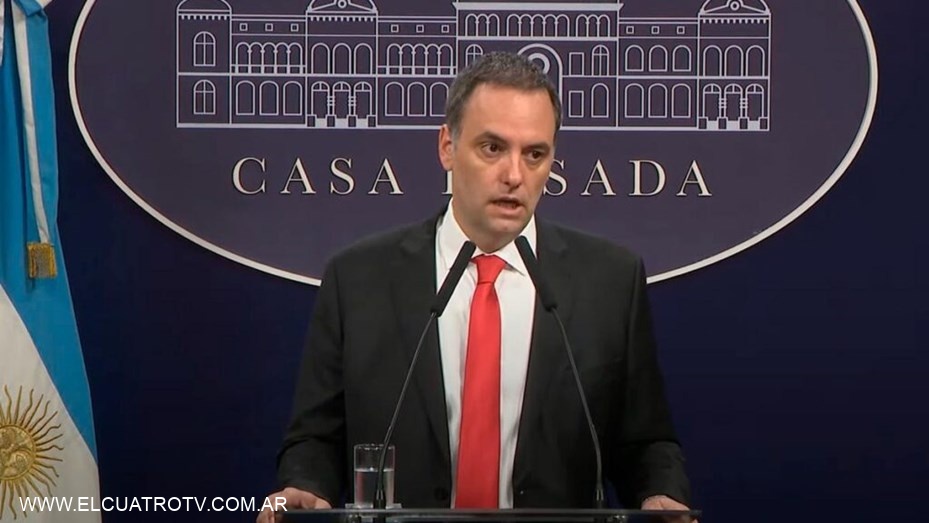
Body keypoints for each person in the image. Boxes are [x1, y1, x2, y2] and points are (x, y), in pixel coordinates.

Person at [258, 52, 692, 522]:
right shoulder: (359, 278)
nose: (514, 175)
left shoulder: (609, 281)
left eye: (534, 154)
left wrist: (659, 494)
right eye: (492, 148)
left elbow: (646, 442)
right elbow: (317, 437)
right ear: (447, 146)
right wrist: (305, 488)